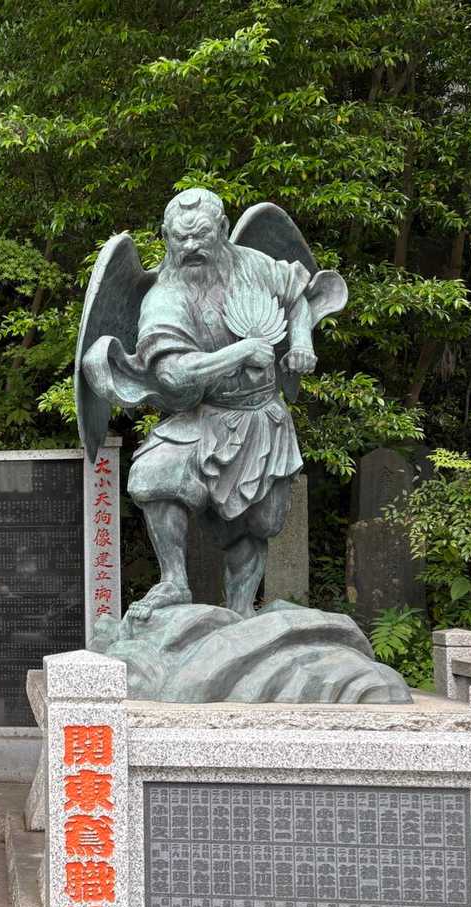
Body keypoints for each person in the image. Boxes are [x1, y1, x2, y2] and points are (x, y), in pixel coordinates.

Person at [125, 188, 318, 618]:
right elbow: (173, 374)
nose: (191, 246)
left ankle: (241, 609)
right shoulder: (165, 296)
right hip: (202, 412)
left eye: (201, 235)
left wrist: (302, 342)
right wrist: (240, 352)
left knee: (259, 522)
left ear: (224, 229)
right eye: (181, 238)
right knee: (152, 473)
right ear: (166, 238)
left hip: (262, 414)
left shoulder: (255, 265)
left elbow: (297, 299)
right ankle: (173, 581)